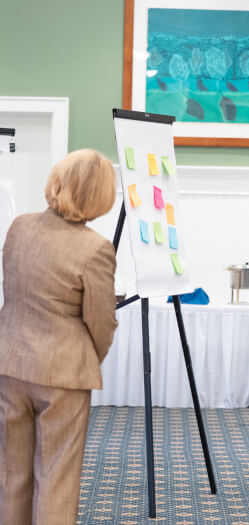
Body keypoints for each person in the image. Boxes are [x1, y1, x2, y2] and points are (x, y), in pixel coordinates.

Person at [0, 149, 118, 524]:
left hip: (10, 362)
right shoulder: (95, 248)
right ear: (100, 196)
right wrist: (85, 359)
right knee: (57, 478)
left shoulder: (19, 226)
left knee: (11, 474)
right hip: (64, 374)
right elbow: (101, 323)